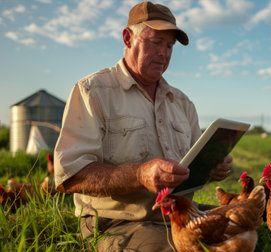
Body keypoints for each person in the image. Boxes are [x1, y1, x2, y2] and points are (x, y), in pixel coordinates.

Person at [53, 1, 233, 251]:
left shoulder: (182, 103)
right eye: (155, 42)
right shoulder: (93, 91)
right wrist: (139, 175)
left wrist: (213, 167)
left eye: (170, 46)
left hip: (177, 215)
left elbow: (194, 167)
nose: (164, 53)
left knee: (245, 222)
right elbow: (69, 177)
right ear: (128, 38)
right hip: (116, 222)